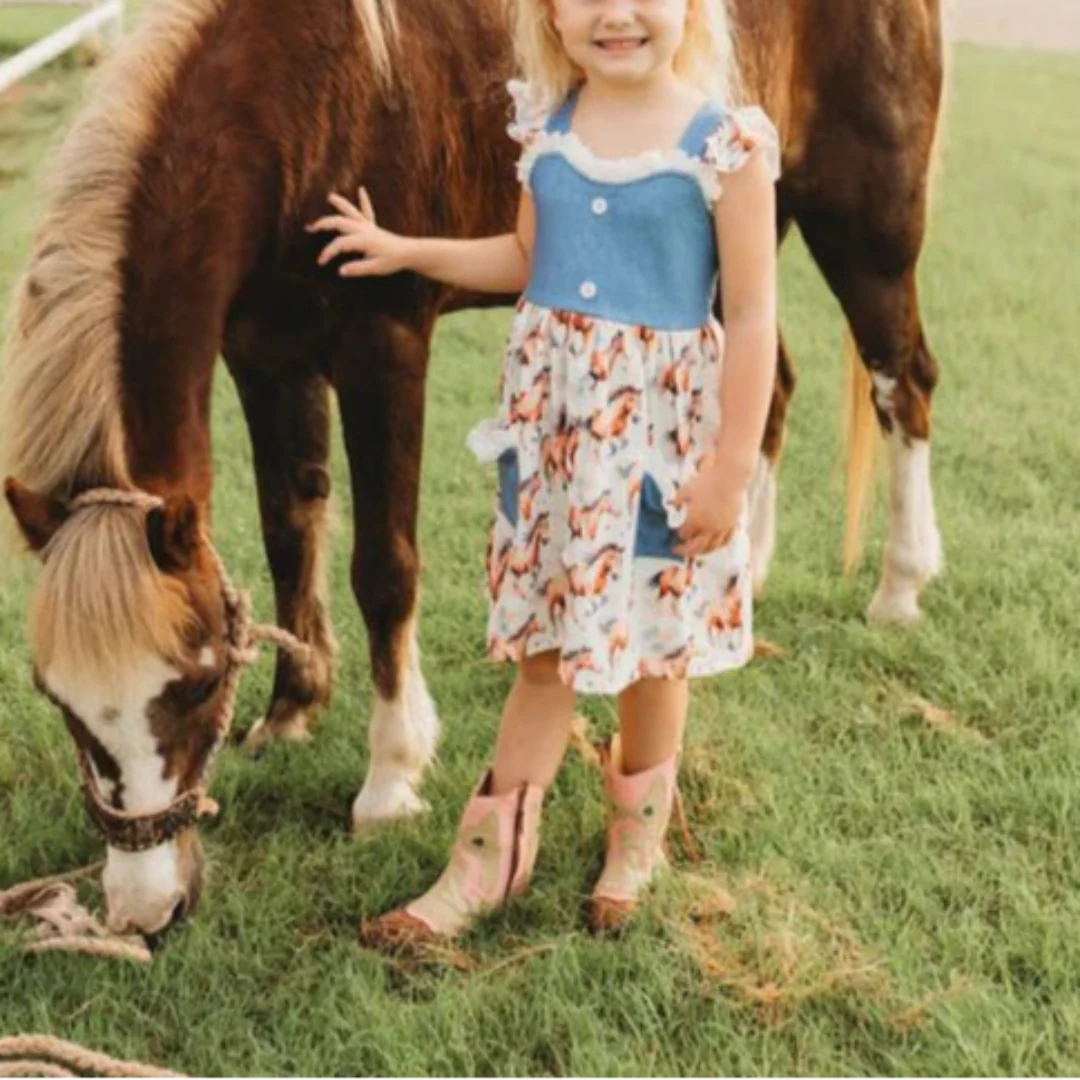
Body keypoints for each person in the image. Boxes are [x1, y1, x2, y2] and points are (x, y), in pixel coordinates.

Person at [308, 0, 779, 946]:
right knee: (547, 652)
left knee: (655, 649)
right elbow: (527, 257)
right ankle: (485, 866)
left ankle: (635, 841)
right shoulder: (549, 126)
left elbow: (755, 314)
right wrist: (409, 251)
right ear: (551, 15)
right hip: (562, 448)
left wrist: (732, 466)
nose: (616, 14)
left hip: (657, 448)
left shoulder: (724, 146)